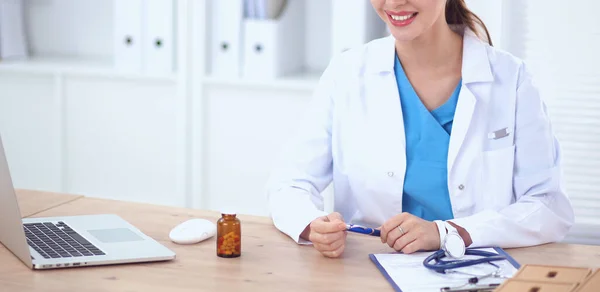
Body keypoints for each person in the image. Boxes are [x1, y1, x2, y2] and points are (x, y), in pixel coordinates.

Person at [265, 0, 574, 258]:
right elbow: (290, 183)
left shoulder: (511, 79)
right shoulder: (346, 74)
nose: (394, 3)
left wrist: (447, 232)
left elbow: (548, 206)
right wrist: (311, 223)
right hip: (368, 269)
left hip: (477, 268)